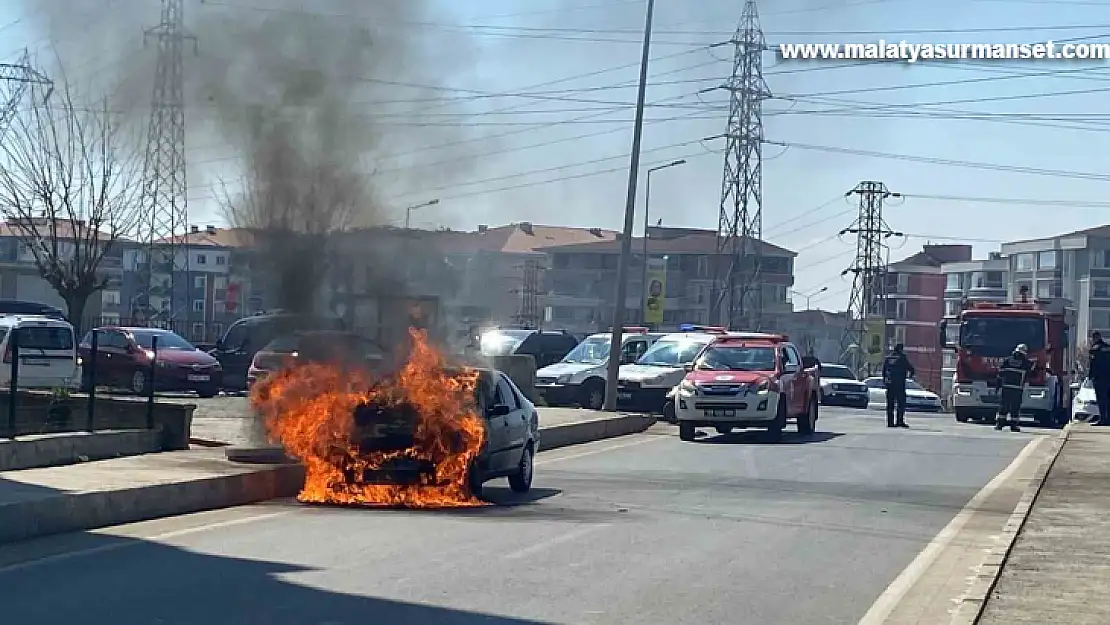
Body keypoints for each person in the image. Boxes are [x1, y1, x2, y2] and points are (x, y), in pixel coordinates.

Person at [994, 343, 1034, 432]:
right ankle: (1013, 425)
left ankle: (999, 424)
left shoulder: (1007, 360)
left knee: (1003, 406)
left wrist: (998, 387)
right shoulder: (1025, 363)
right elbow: (1031, 373)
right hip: (1017, 388)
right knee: (1015, 408)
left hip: (1006, 387)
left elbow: (1000, 375)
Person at [882, 343, 915, 428]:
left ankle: (890, 422)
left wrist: (885, 382)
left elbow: (883, 371)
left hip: (890, 385)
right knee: (900, 404)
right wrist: (910, 375)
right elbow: (910, 368)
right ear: (901, 349)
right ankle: (899, 421)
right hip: (900, 384)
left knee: (890, 404)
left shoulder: (888, 358)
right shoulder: (902, 358)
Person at [1088, 331, 1110, 425]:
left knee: (1101, 399)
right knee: (1108, 399)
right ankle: (1108, 419)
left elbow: (1093, 364)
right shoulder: (1108, 347)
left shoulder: (1095, 349)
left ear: (1094, 338)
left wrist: (1090, 376)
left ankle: (1103, 419)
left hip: (1100, 378)